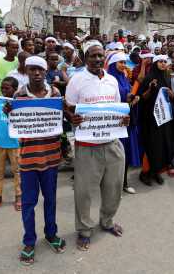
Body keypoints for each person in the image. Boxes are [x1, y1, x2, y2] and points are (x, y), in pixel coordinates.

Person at [65, 41, 129, 251]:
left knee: (114, 188)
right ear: (85, 58)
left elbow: (117, 109)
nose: (97, 59)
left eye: (100, 55)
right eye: (92, 56)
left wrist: (123, 120)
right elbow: (69, 107)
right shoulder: (77, 80)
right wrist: (72, 117)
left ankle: (107, 221)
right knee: (83, 192)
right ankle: (84, 229)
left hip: (112, 142)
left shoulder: (111, 80)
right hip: (87, 145)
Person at [13, 56, 66, 265]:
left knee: (51, 199)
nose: (36, 73)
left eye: (40, 70)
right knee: (28, 203)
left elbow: (60, 120)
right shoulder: (18, 96)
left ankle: (51, 234)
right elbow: (16, 127)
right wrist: (12, 114)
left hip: (51, 157)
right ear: (26, 71)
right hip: (28, 158)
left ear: (45, 72)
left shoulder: (55, 93)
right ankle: (29, 241)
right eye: (32, 70)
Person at [138, 55, 174, 184]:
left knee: (161, 146)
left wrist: (171, 95)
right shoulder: (149, 77)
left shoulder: (166, 77)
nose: (163, 64)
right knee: (151, 146)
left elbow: (170, 96)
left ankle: (155, 172)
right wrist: (150, 88)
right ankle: (145, 173)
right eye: (160, 61)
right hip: (150, 119)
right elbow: (142, 97)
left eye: (165, 62)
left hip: (163, 118)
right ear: (155, 63)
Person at [107, 52, 140, 194]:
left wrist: (133, 99)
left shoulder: (124, 77)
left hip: (126, 120)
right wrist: (127, 99)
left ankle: (124, 184)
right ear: (113, 64)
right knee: (114, 156)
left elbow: (126, 96)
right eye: (120, 62)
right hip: (114, 122)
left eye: (124, 62)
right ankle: (112, 188)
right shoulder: (108, 80)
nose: (124, 65)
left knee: (125, 154)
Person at [0, 76, 21, 213]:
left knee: (18, 172)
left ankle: (19, 197)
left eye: (7, 88)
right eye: (2, 88)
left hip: (15, 143)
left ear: (15, 89)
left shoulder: (19, 102)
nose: (4, 90)